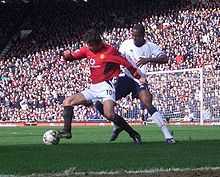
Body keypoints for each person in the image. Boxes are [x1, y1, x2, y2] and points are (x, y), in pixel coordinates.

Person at [58, 29, 145, 144]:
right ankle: (66, 131)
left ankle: (133, 133)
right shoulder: (87, 49)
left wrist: (139, 77)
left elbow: (126, 63)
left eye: (90, 45)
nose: (88, 47)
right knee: (67, 102)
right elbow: (73, 57)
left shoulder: (110, 51)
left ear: (98, 43)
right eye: (87, 45)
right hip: (93, 87)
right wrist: (66, 56)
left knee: (109, 114)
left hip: (106, 86)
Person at [95, 24, 175, 144]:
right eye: (133, 35)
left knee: (148, 103)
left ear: (143, 35)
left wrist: (148, 59)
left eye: (137, 36)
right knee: (99, 103)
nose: (134, 38)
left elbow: (164, 58)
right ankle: (117, 124)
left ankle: (168, 135)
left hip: (139, 79)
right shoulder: (126, 44)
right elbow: (118, 58)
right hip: (126, 78)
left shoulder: (150, 46)